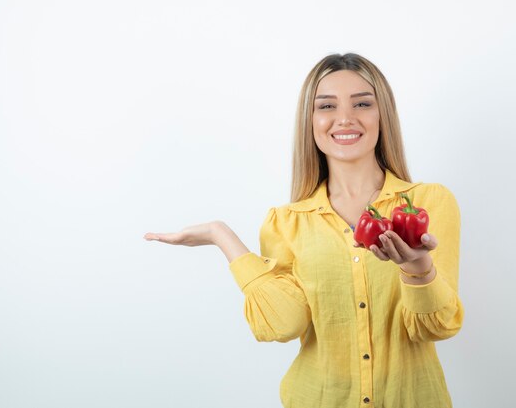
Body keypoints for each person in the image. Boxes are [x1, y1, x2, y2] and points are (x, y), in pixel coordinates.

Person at [143, 53, 464, 408]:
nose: (345, 118)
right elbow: (283, 325)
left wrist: (419, 269)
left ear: (382, 115)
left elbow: (436, 328)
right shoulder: (285, 222)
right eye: (326, 105)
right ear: (309, 121)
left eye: (362, 103)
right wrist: (223, 237)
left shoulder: (426, 204)